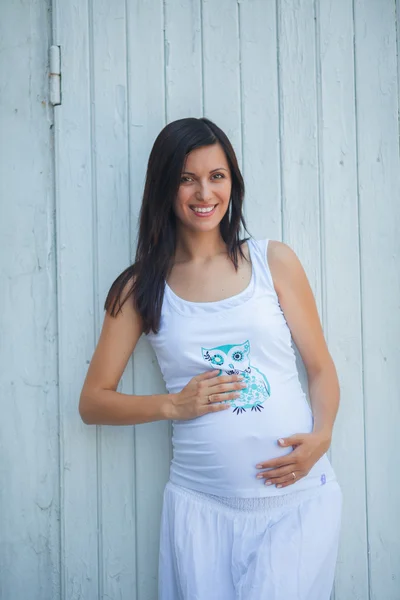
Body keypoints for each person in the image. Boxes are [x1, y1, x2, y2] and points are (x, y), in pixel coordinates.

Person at [79, 117, 342, 600]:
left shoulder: (272, 261)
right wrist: (172, 406)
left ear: (232, 183)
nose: (204, 192)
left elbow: (321, 369)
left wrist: (322, 437)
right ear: (165, 186)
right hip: (200, 510)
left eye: (216, 176)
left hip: (296, 503)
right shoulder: (140, 288)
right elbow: (93, 402)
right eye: (186, 178)